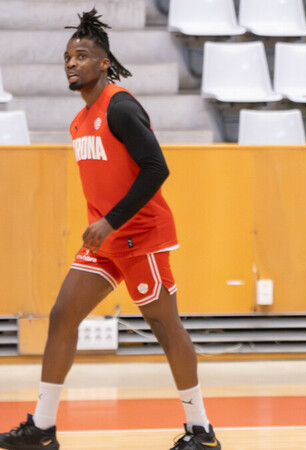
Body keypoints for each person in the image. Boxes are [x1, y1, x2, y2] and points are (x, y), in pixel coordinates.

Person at [0, 10, 220, 450]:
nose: (71, 62)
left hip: (141, 236)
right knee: (63, 316)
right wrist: (105, 226)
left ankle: (202, 431)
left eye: (82, 55)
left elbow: (156, 168)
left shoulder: (119, 107)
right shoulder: (79, 121)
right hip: (106, 242)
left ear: (104, 63)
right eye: (67, 56)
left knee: (165, 327)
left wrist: (111, 220)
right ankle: (42, 429)